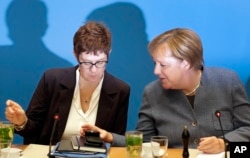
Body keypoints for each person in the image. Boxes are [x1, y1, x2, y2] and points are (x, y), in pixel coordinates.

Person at [80, 28, 250, 154]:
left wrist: (224, 143)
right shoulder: (152, 93)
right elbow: (144, 141)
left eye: (163, 65)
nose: (156, 71)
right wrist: (109, 137)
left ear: (186, 63)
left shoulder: (228, 81)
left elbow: (247, 129)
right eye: (155, 63)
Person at [5, 21, 130, 145]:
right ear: (75, 55)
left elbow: (117, 143)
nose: (93, 70)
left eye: (100, 62)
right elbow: (32, 130)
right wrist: (22, 122)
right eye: (86, 62)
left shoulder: (120, 90)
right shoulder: (52, 80)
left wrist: (107, 137)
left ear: (109, 54)